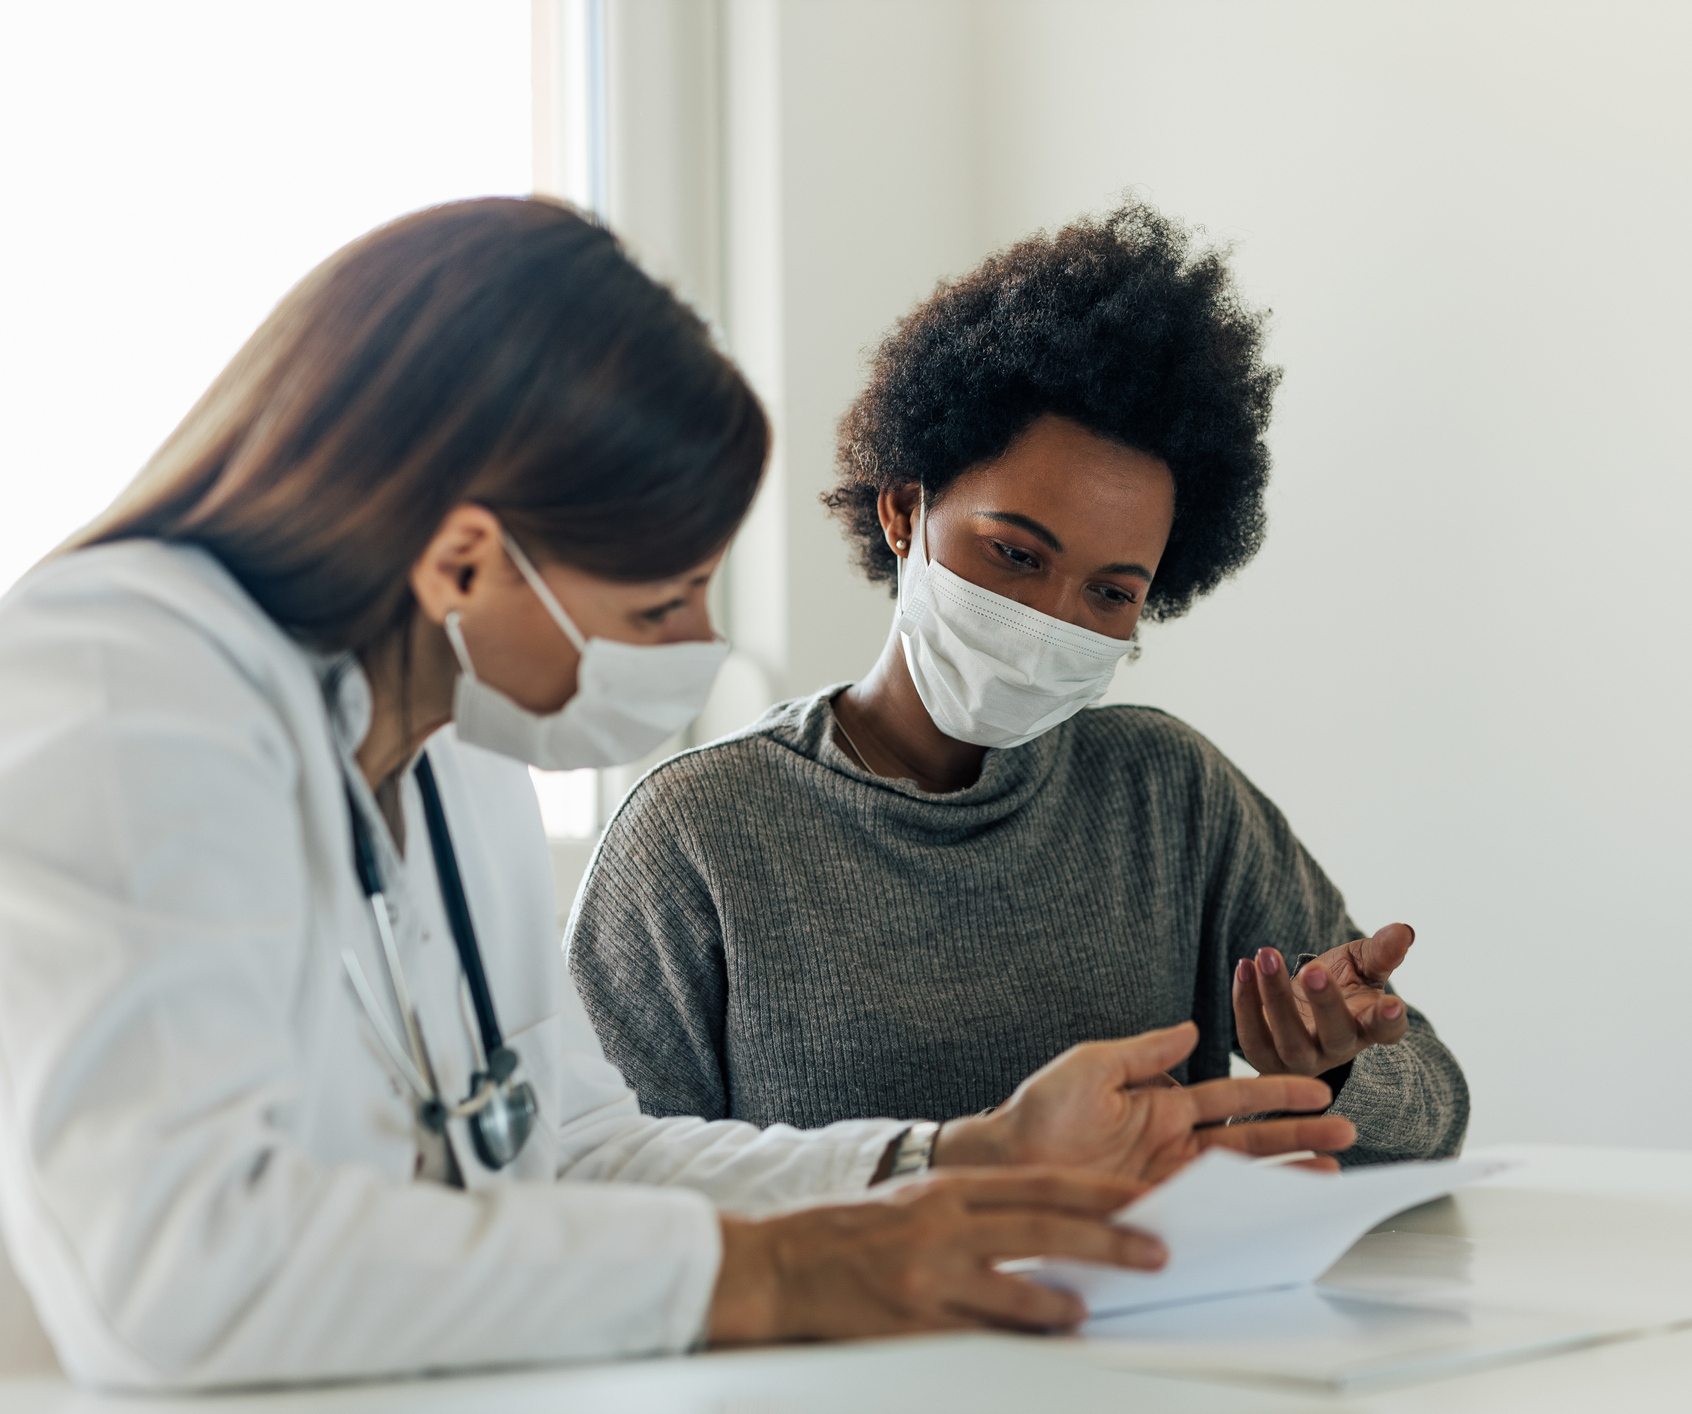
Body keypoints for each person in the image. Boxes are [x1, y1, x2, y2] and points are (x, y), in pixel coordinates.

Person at [0, 198, 1352, 1390]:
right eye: (660, 600)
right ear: (465, 560)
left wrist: (954, 1164)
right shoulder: (123, 689)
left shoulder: (448, 736)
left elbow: (570, 1150)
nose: (696, 647)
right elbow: (180, 1274)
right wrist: (763, 1278)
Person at [568, 201, 1470, 1167]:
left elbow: (1437, 1107)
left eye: (1111, 591)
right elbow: (607, 1193)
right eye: (1012, 554)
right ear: (904, 512)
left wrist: (1335, 1061)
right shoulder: (699, 835)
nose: (1050, 621)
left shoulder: (1169, 797)